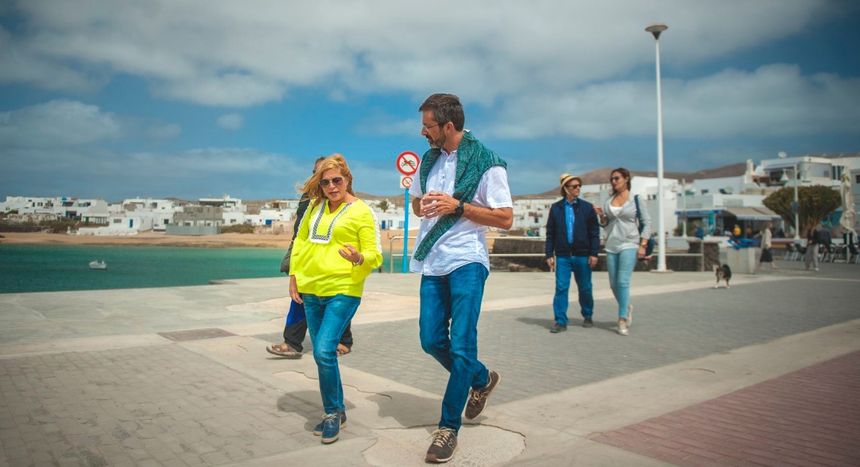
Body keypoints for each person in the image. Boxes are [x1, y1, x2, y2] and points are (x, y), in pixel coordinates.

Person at [410, 93, 513, 463]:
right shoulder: (429, 159)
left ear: (448, 126)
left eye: (428, 126)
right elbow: (415, 201)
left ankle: (447, 428)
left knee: (461, 344)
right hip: (434, 261)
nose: (423, 132)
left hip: (468, 260)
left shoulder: (488, 163)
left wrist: (459, 206)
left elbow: (505, 218)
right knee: (430, 339)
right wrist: (420, 205)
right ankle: (482, 379)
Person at [289, 154, 383, 444]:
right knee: (322, 354)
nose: (331, 186)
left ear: (348, 180)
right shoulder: (314, 207)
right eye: (325, 181)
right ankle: (338, 409)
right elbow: (301, 241)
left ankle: (331, 413)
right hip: (311, 289)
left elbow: (375, 254)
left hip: (343, 288)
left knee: (323, 351)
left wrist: (359, 257)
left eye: (337, 180)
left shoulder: (362, 211)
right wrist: (294, 276)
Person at [267, 157, 353, 359]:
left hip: (335, 264)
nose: (328, 183)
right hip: (307, 258)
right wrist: (294, 262)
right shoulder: (308, 199)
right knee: (299, 298)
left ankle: (343, 340)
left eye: (334, 179)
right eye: (320, 175)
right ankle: (292, 342)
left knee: (338, 300)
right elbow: (300, 231)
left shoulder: (347, 203)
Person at [594, 168, 651, 336]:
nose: (614, 181)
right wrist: (601, 217)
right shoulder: (609, 200)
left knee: (623, 281)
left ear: (626, 179)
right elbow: (606, 224)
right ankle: (626, 306)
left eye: (617, 178)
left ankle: (622, 318)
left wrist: (643, 244)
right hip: (611, 244)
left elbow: (647, 222)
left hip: (630, 243)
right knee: (613, 284)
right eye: (612, 179)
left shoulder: (636, 199)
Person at [544, 173, 599, 332]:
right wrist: (549, 254)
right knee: (561, 287)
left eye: (579, 186)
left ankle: (587, 314)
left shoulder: (587, 208)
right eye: (574, 186)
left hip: (582, 254)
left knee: (585, 287)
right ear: (566, 189)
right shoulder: (556, 209)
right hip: (562, 256)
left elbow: (594, 232)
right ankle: (560, 321)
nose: (578, 189)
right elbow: (550, 233)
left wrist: (594, 253)